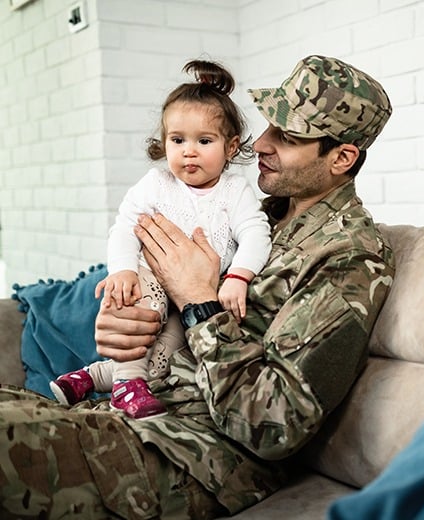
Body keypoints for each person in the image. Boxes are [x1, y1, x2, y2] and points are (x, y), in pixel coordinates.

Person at [0, 55, 394, 519]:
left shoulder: (348, 256)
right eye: (268, 125)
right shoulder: (259, 215)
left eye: (286, 136)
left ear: (341, 158)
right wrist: (123, 325)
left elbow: (274, 426)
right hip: (135, 402)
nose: (260, 143)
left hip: (196, 449)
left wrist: (198, 302)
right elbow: (142, 259)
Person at [48, 59, 272, 421]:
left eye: (204, 140)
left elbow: (255, 233)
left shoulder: (235, 191)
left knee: (166, 357)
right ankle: (126, 388)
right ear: (164, 141)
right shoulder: (157, 183)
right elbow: (124, 227)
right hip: (152, 275)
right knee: (141, 315)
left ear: (231, 148)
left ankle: (92, 377)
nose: (189, 151)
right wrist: (122, 270)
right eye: (177, 140)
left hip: (196, 294)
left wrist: (239, 276)